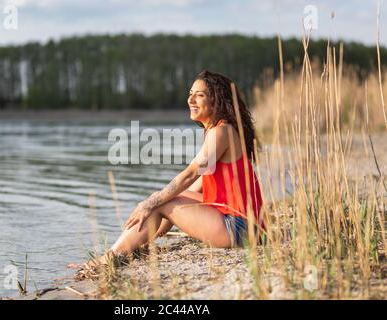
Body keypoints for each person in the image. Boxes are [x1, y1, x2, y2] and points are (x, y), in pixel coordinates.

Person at [68, 70, 265, 278]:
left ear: (217, 100)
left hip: (239, 228)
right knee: (164, 199)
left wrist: (151, 204)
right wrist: (158, 219)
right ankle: (133, 244)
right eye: (190, 93)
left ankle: (109, 258)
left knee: (159, 200)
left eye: (199, 94)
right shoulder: (220, 130)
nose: (190, 99)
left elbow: (190, 175)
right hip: (246, 224)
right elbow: (194, 188)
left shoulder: (221, 131)